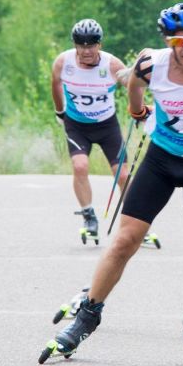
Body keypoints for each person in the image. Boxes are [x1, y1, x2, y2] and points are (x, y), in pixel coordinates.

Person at [41, 3, 183, 366]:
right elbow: (132, 81)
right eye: (179, 41)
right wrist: (137, 110)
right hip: (162, 159)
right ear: (168, 41)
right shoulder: (151, 63)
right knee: (126, 240)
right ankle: (86, 319)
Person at [51, 19, 129, 241]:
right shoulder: (63, 62)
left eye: (91, 45)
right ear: (75, 45)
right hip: (77, 125)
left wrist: (139, 109)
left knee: (122, 174)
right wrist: (60, 112)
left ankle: (136, 221)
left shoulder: (112, 65)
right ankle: (88, 215)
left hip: (107, 125)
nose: (86, 50)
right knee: (80, 165)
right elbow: (55, 83)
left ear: (100, 45)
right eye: (81, 45)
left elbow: (133, 85)